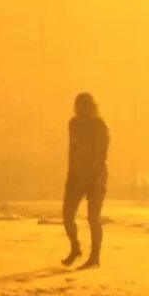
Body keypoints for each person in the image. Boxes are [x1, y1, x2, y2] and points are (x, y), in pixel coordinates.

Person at [63, 92, 108, 269]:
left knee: (93, 217)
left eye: (84, 107)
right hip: (76, 176)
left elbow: (100, 154)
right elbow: (72, 150)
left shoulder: (100, 126)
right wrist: (71, 174)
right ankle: (75, 248)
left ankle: (95, 256)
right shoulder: (73, 124)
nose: (81, 110)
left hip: (95, 177)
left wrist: (95, 177)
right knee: (67, 216)